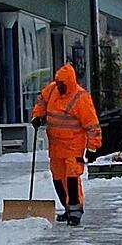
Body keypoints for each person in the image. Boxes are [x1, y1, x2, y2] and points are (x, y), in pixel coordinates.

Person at [31, 63, 101, 226]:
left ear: (69, 82)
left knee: (72, 178)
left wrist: (92, 147)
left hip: (73, 145)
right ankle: (67, 208)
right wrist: (37, 116)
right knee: (58, 178)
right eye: (58, 83)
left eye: (62, 84)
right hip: (56, 145)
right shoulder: (52, 89)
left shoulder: (80, 97)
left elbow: (92, 125)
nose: (59, 86)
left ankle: (75, 210)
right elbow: (41, 100)